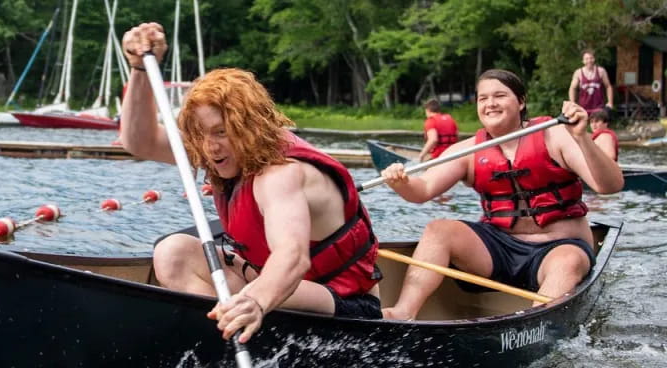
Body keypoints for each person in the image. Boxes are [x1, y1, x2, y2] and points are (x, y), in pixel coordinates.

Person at [119, 21, 382, 343]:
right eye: (201, 134)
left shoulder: (281, 174)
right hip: (277, 289)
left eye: (221, 132)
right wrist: (139, 69)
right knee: (173, 252)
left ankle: (239, 334)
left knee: (239, 284)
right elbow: (140, 141)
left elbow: (292, 256)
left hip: (346, 307)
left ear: (250, 128)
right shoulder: (222, 151)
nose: (210, 146)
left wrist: (254, 301)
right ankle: (223, 336)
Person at [380, 68, 623, 321]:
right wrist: (401, 182)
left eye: (499, 96)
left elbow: (610, 185)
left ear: (521, 102)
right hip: (498, 250)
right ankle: (403, 312)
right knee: (438, 230)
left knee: (569, 261)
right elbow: (422, 191)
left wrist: (582, 138)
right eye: (483, 98)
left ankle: (532, 325)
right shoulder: (466, 150)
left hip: (557, 248)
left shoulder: (557, 135)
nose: (490, 104)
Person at [568, 49, 614, 113]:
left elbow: (608, 86)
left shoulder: (601, 71)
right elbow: (572, 88)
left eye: (591, 58)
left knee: (599, 122)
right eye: (586, 59)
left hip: (599, 108)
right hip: (583, 109)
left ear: (594, 59)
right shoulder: (578, 73)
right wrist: (572, 103)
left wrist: (610, 102)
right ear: (583, 61)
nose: (589, 60)